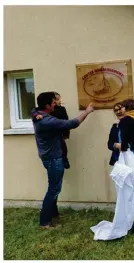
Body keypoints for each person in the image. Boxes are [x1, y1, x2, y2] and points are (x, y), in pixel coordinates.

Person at [32, 92, 94, 229]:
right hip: (53, 158)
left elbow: (33, 111)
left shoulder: (38, 114)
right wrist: (87, 111)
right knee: (54, 189)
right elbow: (73, 123)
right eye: (54, 103)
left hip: (49, 157)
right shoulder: (47, 121)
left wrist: (36, 115)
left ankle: (53, 214)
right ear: (47, 105)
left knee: (53, 186)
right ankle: (45, 222)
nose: (57, 104)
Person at [106, 101, 134, 234]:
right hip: (120, 162)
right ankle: (126, 220)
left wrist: (128, 143)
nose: (118, 111)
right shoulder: (115, 126)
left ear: (126, 109)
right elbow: (109, 144)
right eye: (115, 110)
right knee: (123, 192)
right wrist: (118, 145)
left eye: (120, 108)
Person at [50, 92, 71, 169]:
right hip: (52, 134)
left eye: (60, 99)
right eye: (57, 99)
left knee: (63, 148)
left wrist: (66, 134)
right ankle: (61, 161)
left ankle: (64, 159)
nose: (60, 101)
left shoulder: (62, 109)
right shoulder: (49, 110)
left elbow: (66, 120)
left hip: (61, 132)